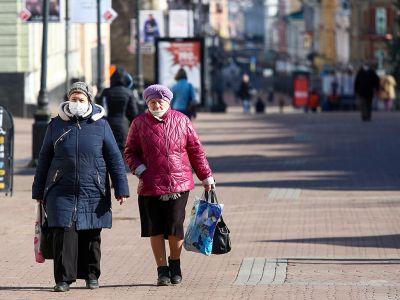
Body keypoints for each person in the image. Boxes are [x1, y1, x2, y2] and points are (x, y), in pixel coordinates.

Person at [32, 82, 130, 292]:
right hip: (60, 189)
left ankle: (91, 275)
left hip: (93, 188)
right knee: (62, 233)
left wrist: (121, 188)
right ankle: (63, 279)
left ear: (89, 102)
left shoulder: (101, 125)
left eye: (81, 99)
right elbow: (44, 158)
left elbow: (114, 158)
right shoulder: (56, 125)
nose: (77, 103)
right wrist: (38, 191)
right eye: (73, 99)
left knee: (91, 234)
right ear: (68, 100)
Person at [124, 84, 215, 286]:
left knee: (175, 228)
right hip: (150, 184)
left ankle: (175, 264)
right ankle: (162, 270)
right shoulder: (138, 123)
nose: (157, 105)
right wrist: (141, 171)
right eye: (152, 102)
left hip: (179, 183)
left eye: (160, 101)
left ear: (168, 102)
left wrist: (206, 176)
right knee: (155, 229)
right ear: (147, 103)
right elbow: (130, 152)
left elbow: (196, 151)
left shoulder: (182, 120)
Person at [100, 67, 139, 160]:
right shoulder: (129, 93)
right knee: (122, 149)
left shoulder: (106, 92)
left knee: (107, 148)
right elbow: (133, 112)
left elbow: (100, 109)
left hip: (107, 123)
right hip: (123, 125)